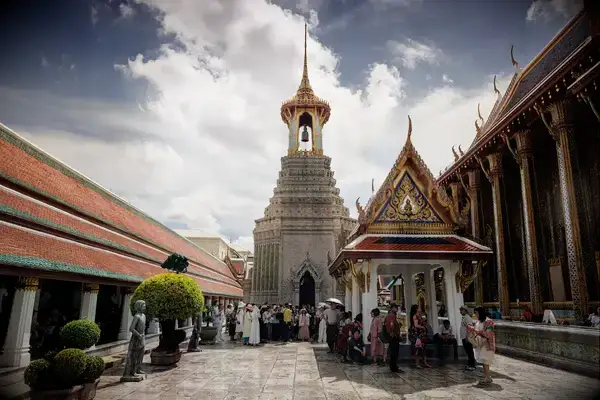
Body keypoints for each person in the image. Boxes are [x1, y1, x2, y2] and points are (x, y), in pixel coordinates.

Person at [468, 306, 496, 386]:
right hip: (480, 343)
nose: (475, 314)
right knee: (483, 361)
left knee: (485, 360)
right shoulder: (478, 321)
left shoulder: (489, 321)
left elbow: (489, 333)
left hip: (486, 343)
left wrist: (477, 331)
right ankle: (487, 376)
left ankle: (487, 377)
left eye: (476, 312)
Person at [409, 304, 430, 368]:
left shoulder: (421, 316)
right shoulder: (415, 316)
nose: (420, 308)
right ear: (416, 309)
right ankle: (417, 363)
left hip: (422, 334)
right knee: (418, 348)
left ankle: (424, 363)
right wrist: (422, 327)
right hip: (417, 334)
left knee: (423, 349)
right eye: (419, 307)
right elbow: (416, 325)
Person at [385, 303, 403, 373]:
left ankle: (393, 366)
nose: (397, 309)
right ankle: (394, 367)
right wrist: (393, 333)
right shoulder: (391, 316)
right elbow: (391, 326)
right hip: (394, 337)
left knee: (393, 352)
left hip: (393, 336)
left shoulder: (392, 316)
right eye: (396, 308)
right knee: (394, 352)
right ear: (392, 308)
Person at [459, 306, 476, 371]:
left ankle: (472, 365)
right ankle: (469, 364)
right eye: (460, 310)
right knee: (468, 351)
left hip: (467, 337)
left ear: (465, 310)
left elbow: (470, 328)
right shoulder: (464, 317)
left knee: (470, 351)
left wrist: (467, 337)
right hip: (464, 336)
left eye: (462, 310)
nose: (460, 311)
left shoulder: (468, 318)